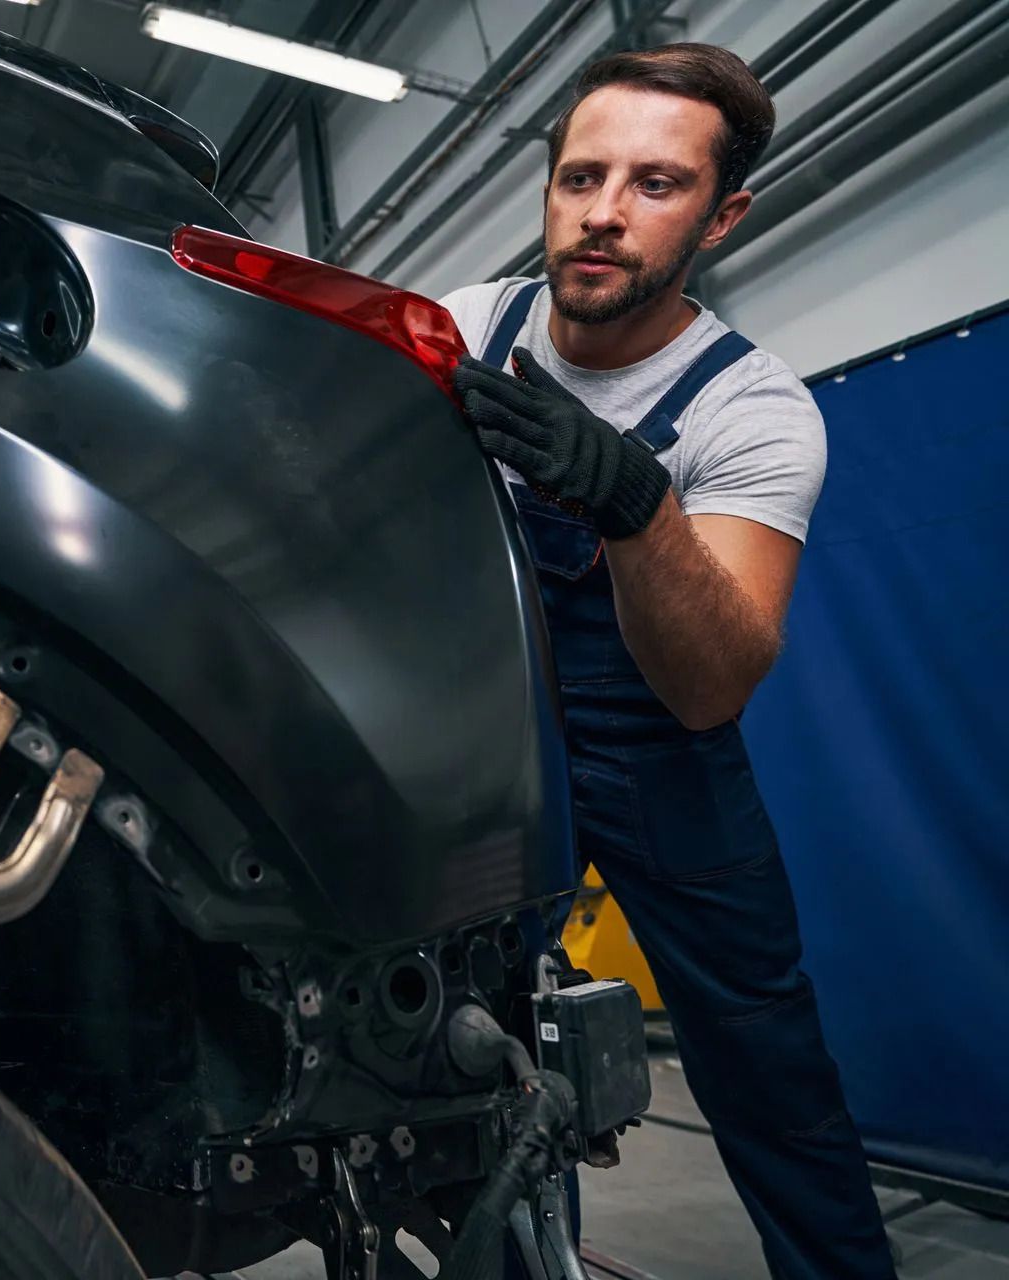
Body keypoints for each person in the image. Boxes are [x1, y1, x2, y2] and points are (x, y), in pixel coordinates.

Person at [440, 43, 896, 1280]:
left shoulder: (751, 408)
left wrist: (637, 503)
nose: (600, 213)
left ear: (722, 212)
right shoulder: (462, 329)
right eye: (580, 175)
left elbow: (711, 681)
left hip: (656, 743)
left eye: (654, 184)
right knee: (462, 1058)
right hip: (482, 728)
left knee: (769, 1068)